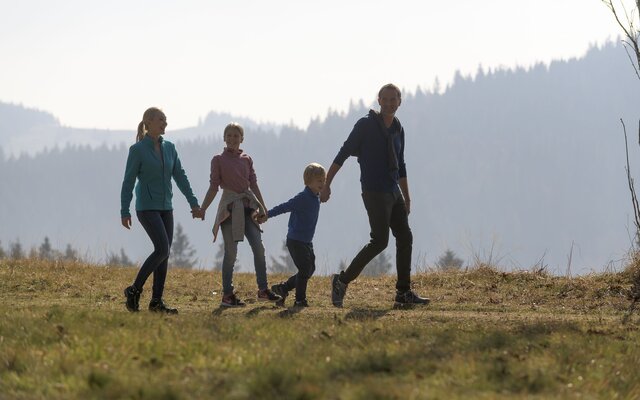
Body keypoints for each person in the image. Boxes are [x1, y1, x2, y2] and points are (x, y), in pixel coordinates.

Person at [320, 83, 430, 308]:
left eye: (394, 99)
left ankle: (403, 293)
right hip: (374, 191)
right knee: (379, 241)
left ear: (400, 102)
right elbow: (343, 153)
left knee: (405, 237)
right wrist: (327, 184)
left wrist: (407, 197)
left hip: (393, 191)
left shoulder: (398, 128)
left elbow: (401, 165)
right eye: (386, 99)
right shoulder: (366, 125)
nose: (390, 104)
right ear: (378, 100)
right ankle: (341, 281)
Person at [120, 107, 201, 314]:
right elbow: (128, 181)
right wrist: (124, 210)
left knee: (164, 254)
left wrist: (193, 202)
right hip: (146, 207)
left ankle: (156, 302)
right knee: (162, 249)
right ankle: (134, 290)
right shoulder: (137, 150)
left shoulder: (170, 148)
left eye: (166, 120)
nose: (165, 123)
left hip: (167, 207)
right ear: (148, 122)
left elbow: (180, 176)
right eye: (161, 120)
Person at [196, 122, 281, 307]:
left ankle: (263, 289)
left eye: (236, 136)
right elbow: (213, 187)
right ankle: (227, 294)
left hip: (248, 207)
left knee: (259, 247)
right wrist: (203, 208)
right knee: (231, 252)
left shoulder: (247, 159)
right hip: (229, 208)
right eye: (229, 135)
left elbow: (254, 184)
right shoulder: (217, 159)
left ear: (242, 139)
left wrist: (263, 208)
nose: (232, 139)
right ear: (224, 138)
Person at [267, 163, 326, 308]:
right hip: (295, 240)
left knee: (310, 269)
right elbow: (284, 207)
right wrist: (267, 215)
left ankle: (283, 288)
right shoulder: (302, 198)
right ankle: (300, 300)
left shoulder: (316, 196)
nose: (323, 183)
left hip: (306, 241)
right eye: (319, 181)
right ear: (308, 181)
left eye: (323, 180)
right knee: (305, 269)